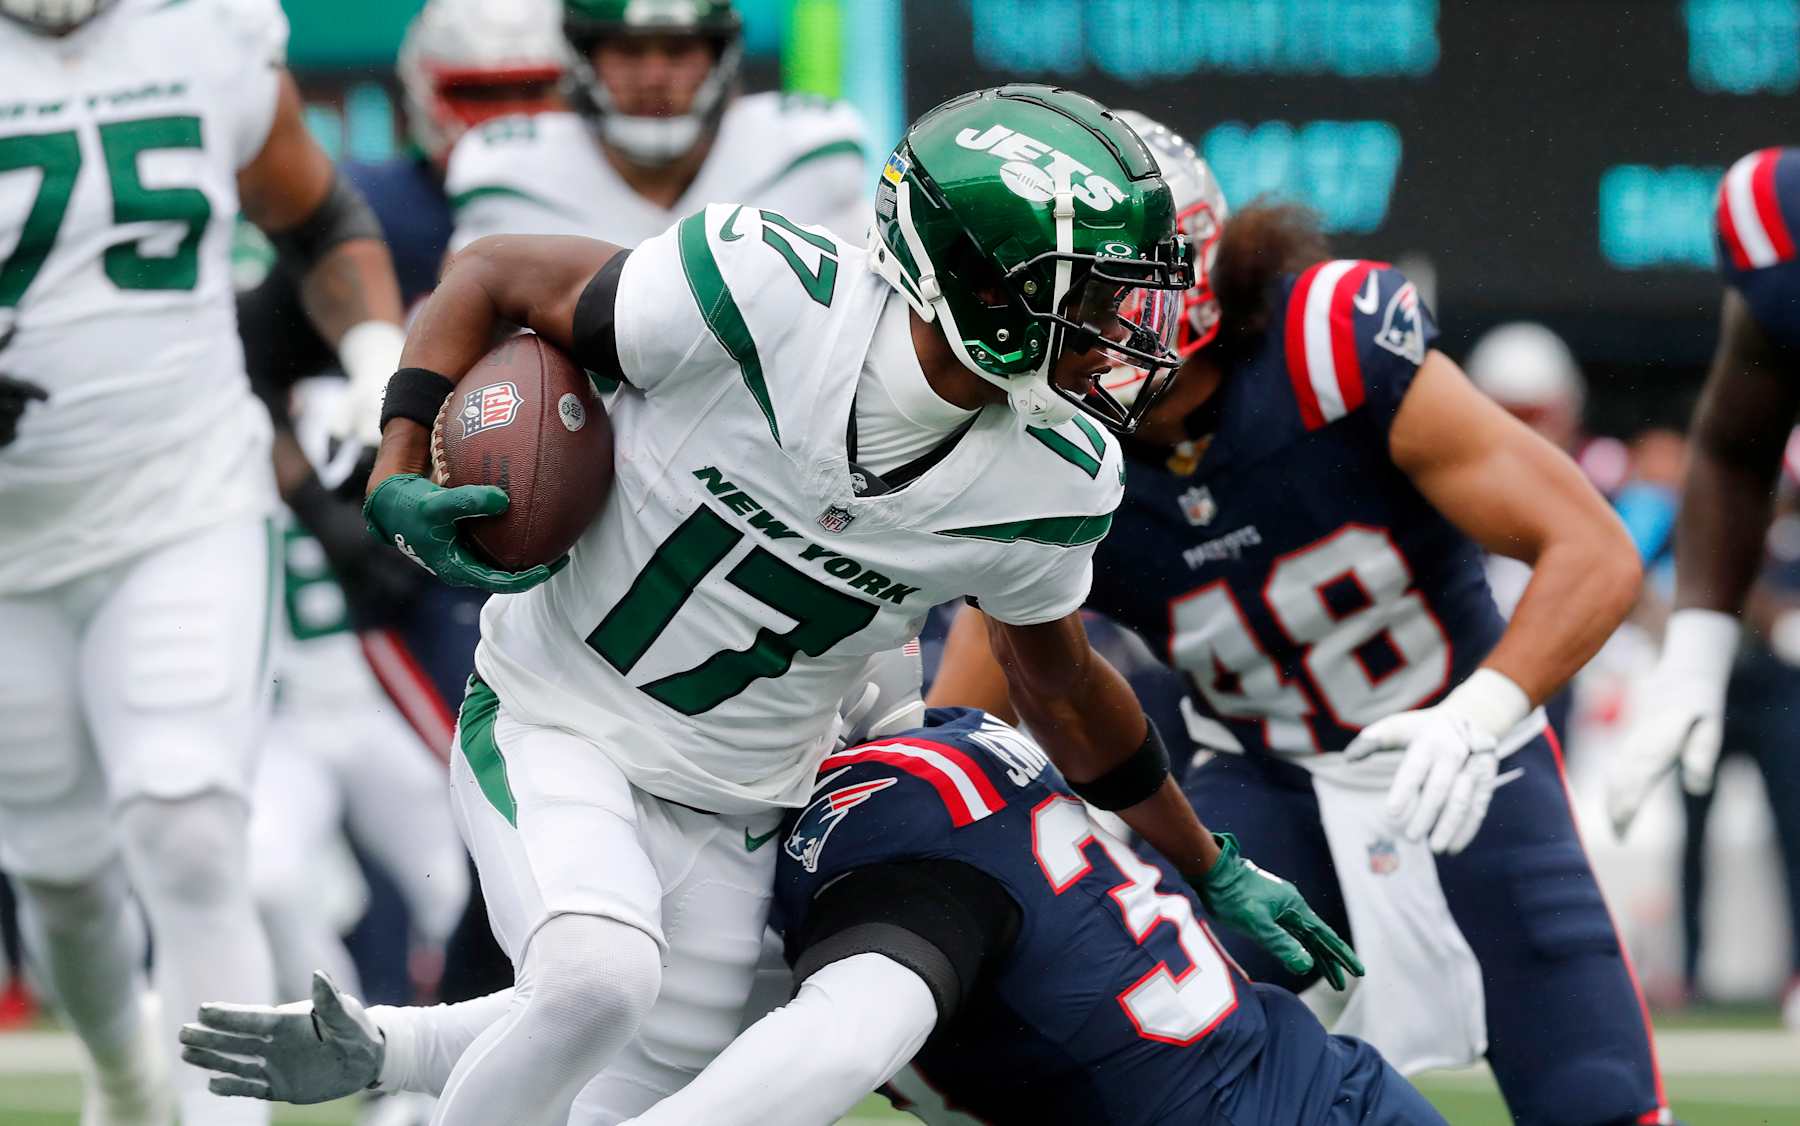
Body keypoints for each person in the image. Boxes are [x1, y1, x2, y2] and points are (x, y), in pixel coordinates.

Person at [270, 86, 1356, 1126]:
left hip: (747, 811)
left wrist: (1208, 861)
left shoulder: (1055, 474)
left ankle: (397, 1049)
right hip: (559, 715)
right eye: (1091, 294)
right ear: (984, 285)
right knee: (594, 977)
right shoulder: (764, 290)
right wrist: (396, 459)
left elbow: (1061, 685)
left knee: (631, 1086)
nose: (1122, 327)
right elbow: (493, 273)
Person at [929, 111, 1668, 1126]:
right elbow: (969, 720)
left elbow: (1592, 549)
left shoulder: (1327, 345)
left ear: (1194, 269)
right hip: (1260, 788)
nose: (1095, 317)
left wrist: (1480, 715)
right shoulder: (1044, 443)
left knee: (1597, 1098)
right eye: (1075, 289)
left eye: (1116, 285)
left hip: (1458, 759)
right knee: (1175, 1090)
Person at [183, 706, 1431, 1126]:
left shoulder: (871, 823)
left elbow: (842, 1035)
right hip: (1335, 1090)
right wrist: (400, 1046)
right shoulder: (934, 763)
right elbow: (690, 1007)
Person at [0, 0, 410, 1121]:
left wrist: (377, 358)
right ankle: (127, 1080)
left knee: (188, 828)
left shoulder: (204, 29)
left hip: (183, 500)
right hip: (8, 550)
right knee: (61, 879)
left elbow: (319, 218)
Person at [233, 0, 569, 1009]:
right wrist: (326, 511)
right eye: (482, 93)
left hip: (573, 558)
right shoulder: (376, 215)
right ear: (426, 94)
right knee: (505, 816)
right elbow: (247, 365)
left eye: (531, 91)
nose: (509, 118)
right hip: (421, 583)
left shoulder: (589, 193)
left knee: (532, 830)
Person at [440, 0, 869, 262]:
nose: (654, 78)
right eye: (628, 51)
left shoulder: (809, 153)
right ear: (585, 59)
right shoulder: (509, 174)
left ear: (719, 57)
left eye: (678, 50)